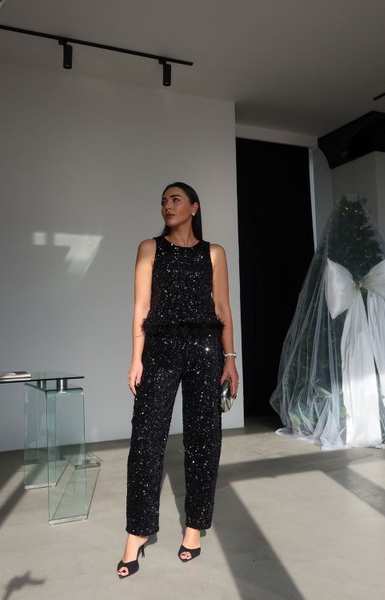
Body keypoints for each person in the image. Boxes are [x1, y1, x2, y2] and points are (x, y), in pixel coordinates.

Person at [117, 182, 239, 578]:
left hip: (205, 349)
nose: (167, 206)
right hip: (161, 348)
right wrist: (136, 359)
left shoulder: (214, 253)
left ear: (194, 207)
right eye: (163, 202)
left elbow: (222, 307)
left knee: (203, 441)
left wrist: (230, 359)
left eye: (175, 200)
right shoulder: (149, 248)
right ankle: (137, 533)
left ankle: (194, 529)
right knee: (146, 440)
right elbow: (141, 307)